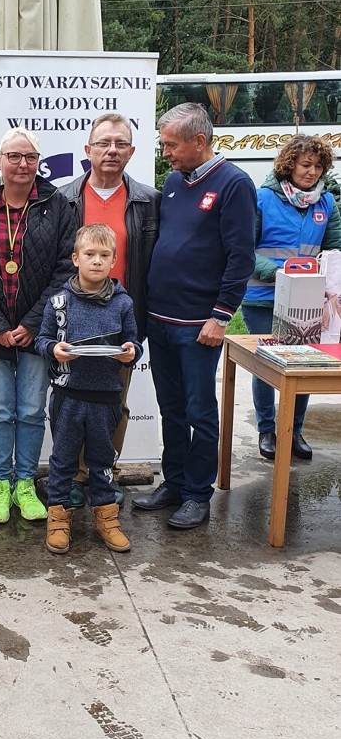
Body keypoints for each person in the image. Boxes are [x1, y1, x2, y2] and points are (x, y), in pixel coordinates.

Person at [133, 103, 256, 530]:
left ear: (198, 141)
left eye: (171, 144)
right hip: (160, 320)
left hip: (199, 326)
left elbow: (241, 257)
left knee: (200, 411)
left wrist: (221, 316)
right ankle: (175, 482)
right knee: (171, 409)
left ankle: (197, 495)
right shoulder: (172, 182)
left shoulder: (234, 184)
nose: (165, 152)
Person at [0, 128, 74, 524]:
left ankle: (25, 482)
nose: (22, 164)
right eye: (14, 156)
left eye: (29, 157)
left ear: (37, 161)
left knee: (29, 410)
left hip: (37, 331)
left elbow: (64, 269)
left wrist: (31, 323)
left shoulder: (57, 204)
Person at [62, 112, 160, 507]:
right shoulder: (64, 199)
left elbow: (158, 262)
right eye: (103, 143)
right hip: (73, 321)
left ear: (132, 152)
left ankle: (102, 472)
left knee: (113, 404)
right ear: (88, 150)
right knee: (70, 404)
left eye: (120, 143)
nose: (111, 150)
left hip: (122, 322)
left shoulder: (149, 202)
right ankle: (73, 475)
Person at [35, 224, 141, 555]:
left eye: (104, 255)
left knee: (102, 460)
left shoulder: (123, 304)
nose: (96, 261)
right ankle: (58, 518)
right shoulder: (58, 301)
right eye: (90, 254)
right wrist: (54, 349)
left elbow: (134, 342)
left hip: (106, 397)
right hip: (68, 396)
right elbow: (41, 340)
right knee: (63, 460)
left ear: (113, 261)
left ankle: (106, 518)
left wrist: (130, 351)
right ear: (75, 258)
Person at [241, 135, 341, 461]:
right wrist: (278, 272)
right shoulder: (262, 199)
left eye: (318, 166)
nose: (312, 172)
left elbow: (334, 250)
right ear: (290, 165)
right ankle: (267, 430)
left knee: (304, 364)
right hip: (263, 295)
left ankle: (294, 430)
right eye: (305, 165)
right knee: (266, 365)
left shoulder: (326, 203)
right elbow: (243, 249)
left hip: (308, 300)